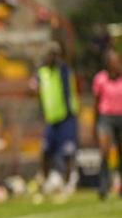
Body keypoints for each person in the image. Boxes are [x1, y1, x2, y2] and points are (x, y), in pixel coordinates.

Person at [30, 42, 80, 197]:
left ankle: (69, 182)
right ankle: (44, 184)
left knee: (67, 153)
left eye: (52, 55)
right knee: (45, 152)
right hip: (51, 119)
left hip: (67, 117)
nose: (49, 58)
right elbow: (35, 87)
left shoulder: (63, 70)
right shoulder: (42, 72)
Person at [92, 49, 122, 199]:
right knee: (104, 151)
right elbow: (96, 103)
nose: (117, 64)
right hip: (105, 117)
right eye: (114, 62)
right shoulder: (100, 79)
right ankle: (103, 186)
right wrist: (94, 123)